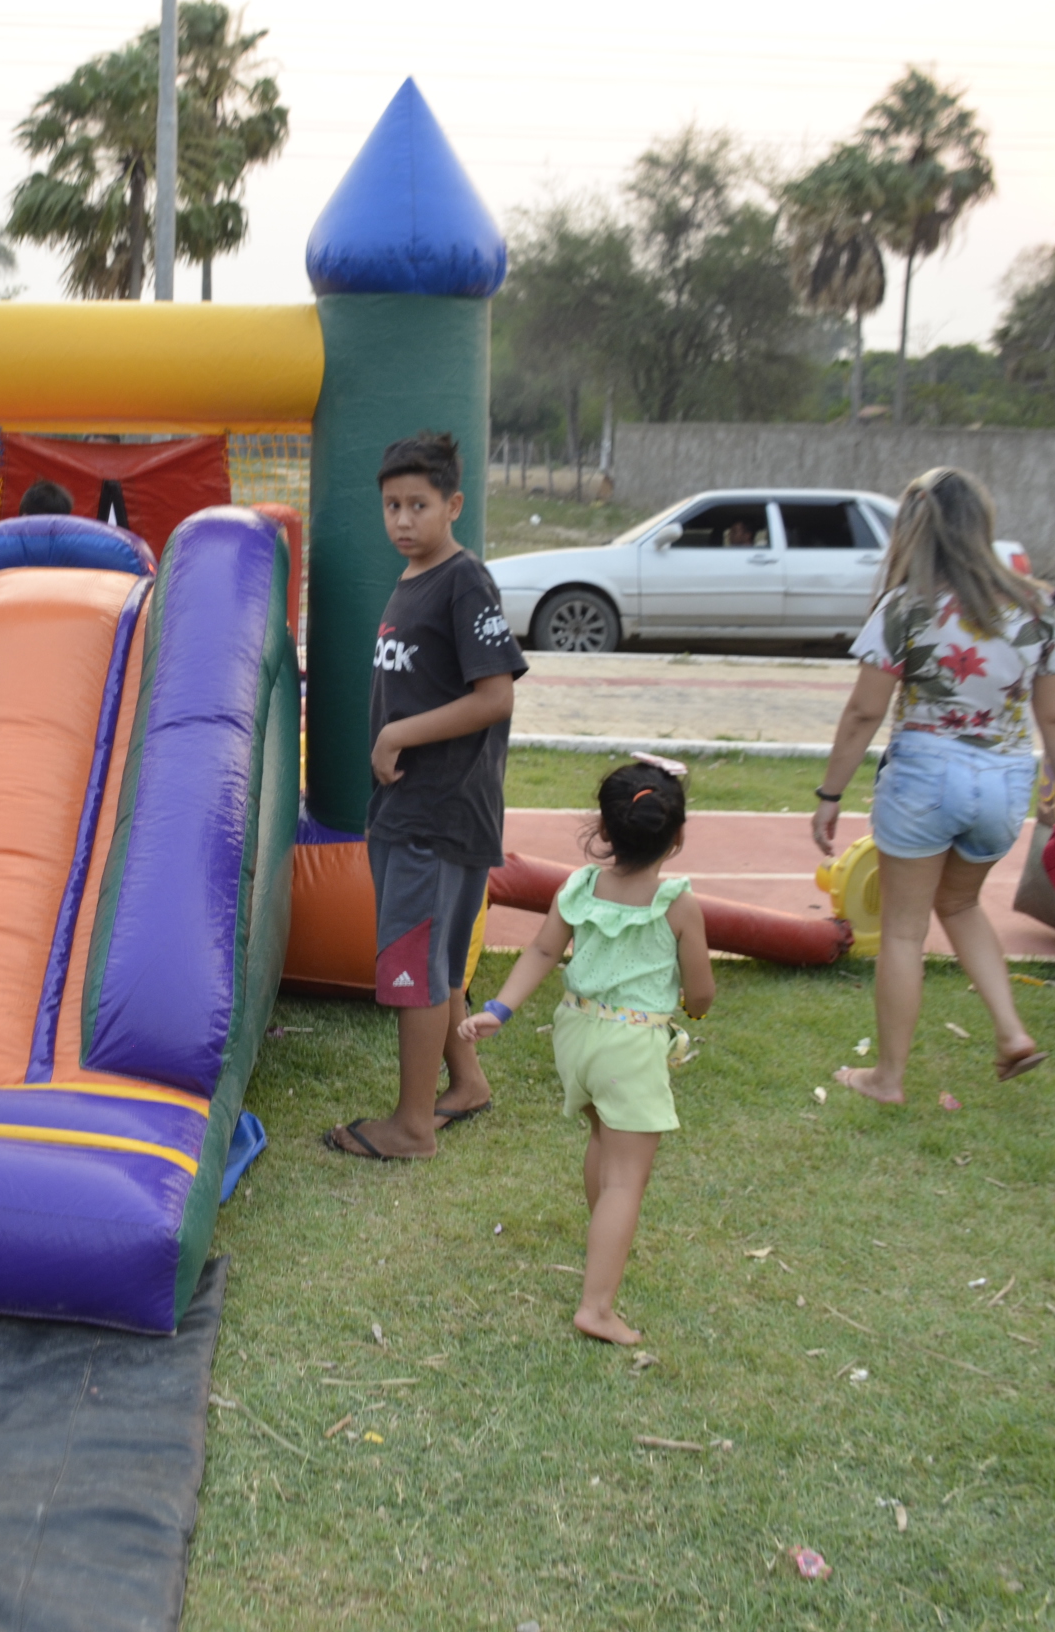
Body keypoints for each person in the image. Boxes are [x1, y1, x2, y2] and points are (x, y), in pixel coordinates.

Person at [812, 468, 1055, 1104]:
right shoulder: (1036, 604)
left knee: (906, 931)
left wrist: (830, 795)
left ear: (917, 527)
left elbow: (863, 712)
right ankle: (1012, 1032)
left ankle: (887, 1077)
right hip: (1004, 780)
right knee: (962, 905)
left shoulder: (907, 605)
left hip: (925, 775)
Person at [460, 759, 712, 1346]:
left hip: (577, 1033)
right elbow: (700, 989)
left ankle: (603, 1235)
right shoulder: (678, 903)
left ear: (604, 831)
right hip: (630, 1045)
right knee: (628, 1178)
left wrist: (499, 1009)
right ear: (676, 837)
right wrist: (695, 1011)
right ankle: (597, 1307)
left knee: (603, 1138)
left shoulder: (579, 885)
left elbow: (544, 953)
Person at [323, 431, 524, 1162]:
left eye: (419, 505)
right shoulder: (415, 577)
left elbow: (495, 696)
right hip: (415, 812)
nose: (403, 520)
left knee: (414, 968)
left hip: (435, 812)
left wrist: (395, 737)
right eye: (391, 506)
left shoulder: (463, 580)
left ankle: (411, 1129)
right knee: (436, 960)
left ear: (454, 505)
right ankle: (465, 1083)